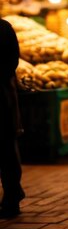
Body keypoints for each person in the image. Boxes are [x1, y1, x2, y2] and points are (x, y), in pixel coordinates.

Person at [0, 18, 25, 218]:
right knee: (7, 150)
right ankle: (12, 196)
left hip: (2, 99)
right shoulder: (4, 27)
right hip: (4, 97)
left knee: (6, 150)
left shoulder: (3, 28)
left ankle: (12, 197)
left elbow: (11, 63)